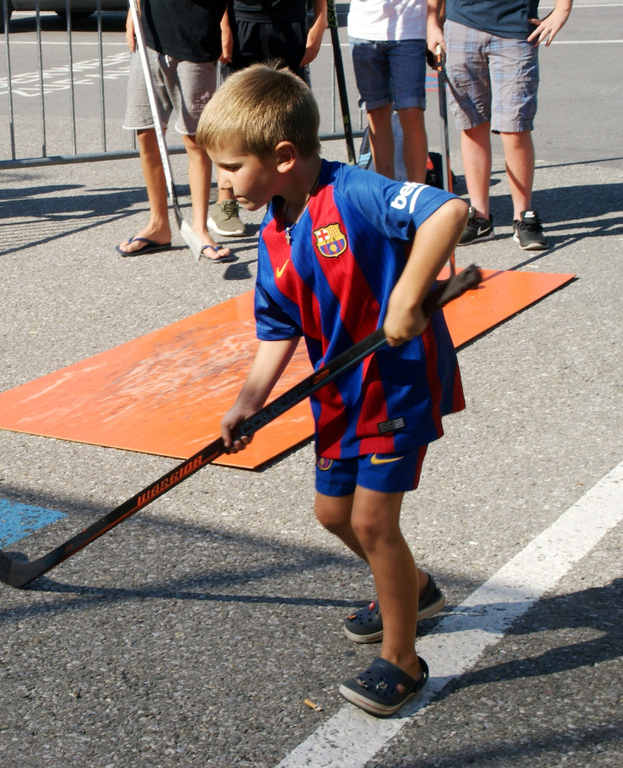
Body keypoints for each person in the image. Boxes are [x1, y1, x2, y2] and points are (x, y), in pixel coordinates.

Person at [196, 64, 468, 716]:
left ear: (283, 156)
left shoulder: (355, 194)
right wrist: (248, 400)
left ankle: (402, 660)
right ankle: (413, 586)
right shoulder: (274, 231)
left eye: (231, 168)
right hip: (340, 397)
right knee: (333, 516)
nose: (221, 183)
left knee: (375, 523)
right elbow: (278, 326)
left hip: (395, 388)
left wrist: (406, 296)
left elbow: (447, 210)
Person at [427, 0, 572, 250]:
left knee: (515, 127)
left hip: (514, 30)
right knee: (472, 125)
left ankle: (523, 216)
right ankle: (480, 216)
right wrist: (431, 23)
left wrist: (562, 10)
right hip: (461, 25)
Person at [116, 0, 236, 263]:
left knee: (196, 140)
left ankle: (200, 229)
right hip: (149, 35)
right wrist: (131, 11)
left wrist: (225, 22)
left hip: (195, 39)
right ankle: (158, 224)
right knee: (146, 131)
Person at [208, 0, 329, 239]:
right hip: (242, 19)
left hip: (290, 22)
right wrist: (223, 25)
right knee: (234, 119)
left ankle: (287, 205)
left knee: (289, 119)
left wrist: (320, 21)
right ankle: (226, 200)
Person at [347, 0, 430, 184]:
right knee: (377, 115)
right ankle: (387, 194)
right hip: (364, 29)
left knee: (411, 112)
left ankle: (417, 195)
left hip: (410, 27)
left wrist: (435, 22)